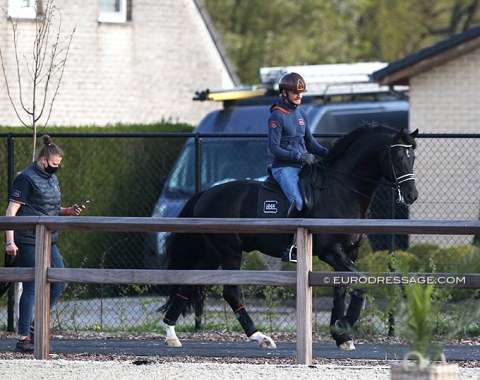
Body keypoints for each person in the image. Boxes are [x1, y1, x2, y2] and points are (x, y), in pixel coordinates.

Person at [5, 135, 84, 352]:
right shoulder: (26, 178)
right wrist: (9, 242)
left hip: (48, 238)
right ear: (43, 161)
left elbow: (47, 210)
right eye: (54, 164)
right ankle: (23, 338)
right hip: (28, 239)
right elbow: (11, 211)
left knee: (60, 281)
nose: (56, 168)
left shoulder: (51, 178)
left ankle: (35, 324)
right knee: (31, 285)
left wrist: (67, 211)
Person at [267, 72, 328, 261]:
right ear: (284, 92)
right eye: (294, 92)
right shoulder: (277, 115)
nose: (298, 96)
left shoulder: (302, 114)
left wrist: (330, 154)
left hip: (303, 165)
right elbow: (273, 148)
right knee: (299, 201)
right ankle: (289, 247)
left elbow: (311, 143)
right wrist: (298, 155)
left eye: (300, 93)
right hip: (284, 167)